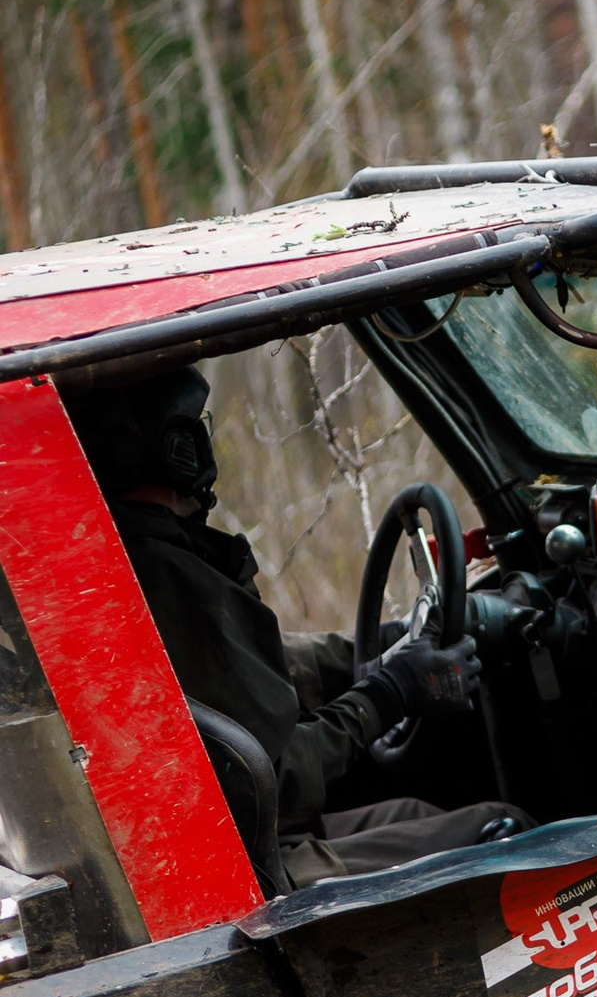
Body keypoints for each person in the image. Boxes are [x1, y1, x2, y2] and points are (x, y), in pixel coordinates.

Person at [62, 365, 528, 885]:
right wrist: (389, 693)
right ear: (176, 447)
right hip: (256, 870)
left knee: (412, 812)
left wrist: (395, 639)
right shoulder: (159, 575)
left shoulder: (115, 559)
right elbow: (273, 780)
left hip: (233, 844)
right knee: (503, 828)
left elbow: (263, 665)